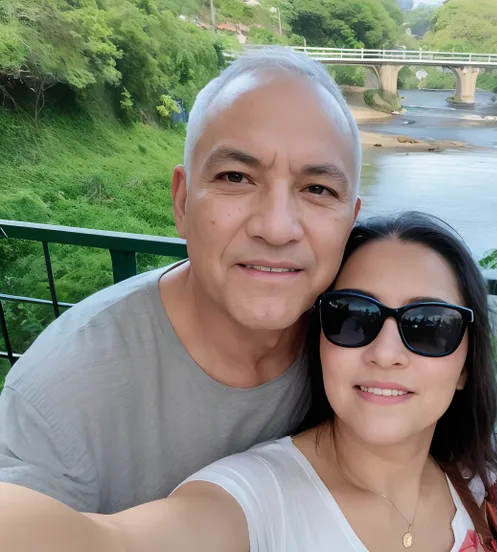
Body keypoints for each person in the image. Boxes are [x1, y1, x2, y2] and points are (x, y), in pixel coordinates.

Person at [0, 212, 497, 552]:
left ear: (465, 364)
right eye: (351, 316)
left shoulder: (478, 478)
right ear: (318, 337)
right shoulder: (257, 500)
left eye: (429, 325)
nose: (385, 353)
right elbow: (108, 541)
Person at [0, 46, 362, 513]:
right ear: (182, 201)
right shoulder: (63, 397)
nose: (276, 228)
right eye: (236, 177)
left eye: (317, 189)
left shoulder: (370, 345)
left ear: (350, 221)